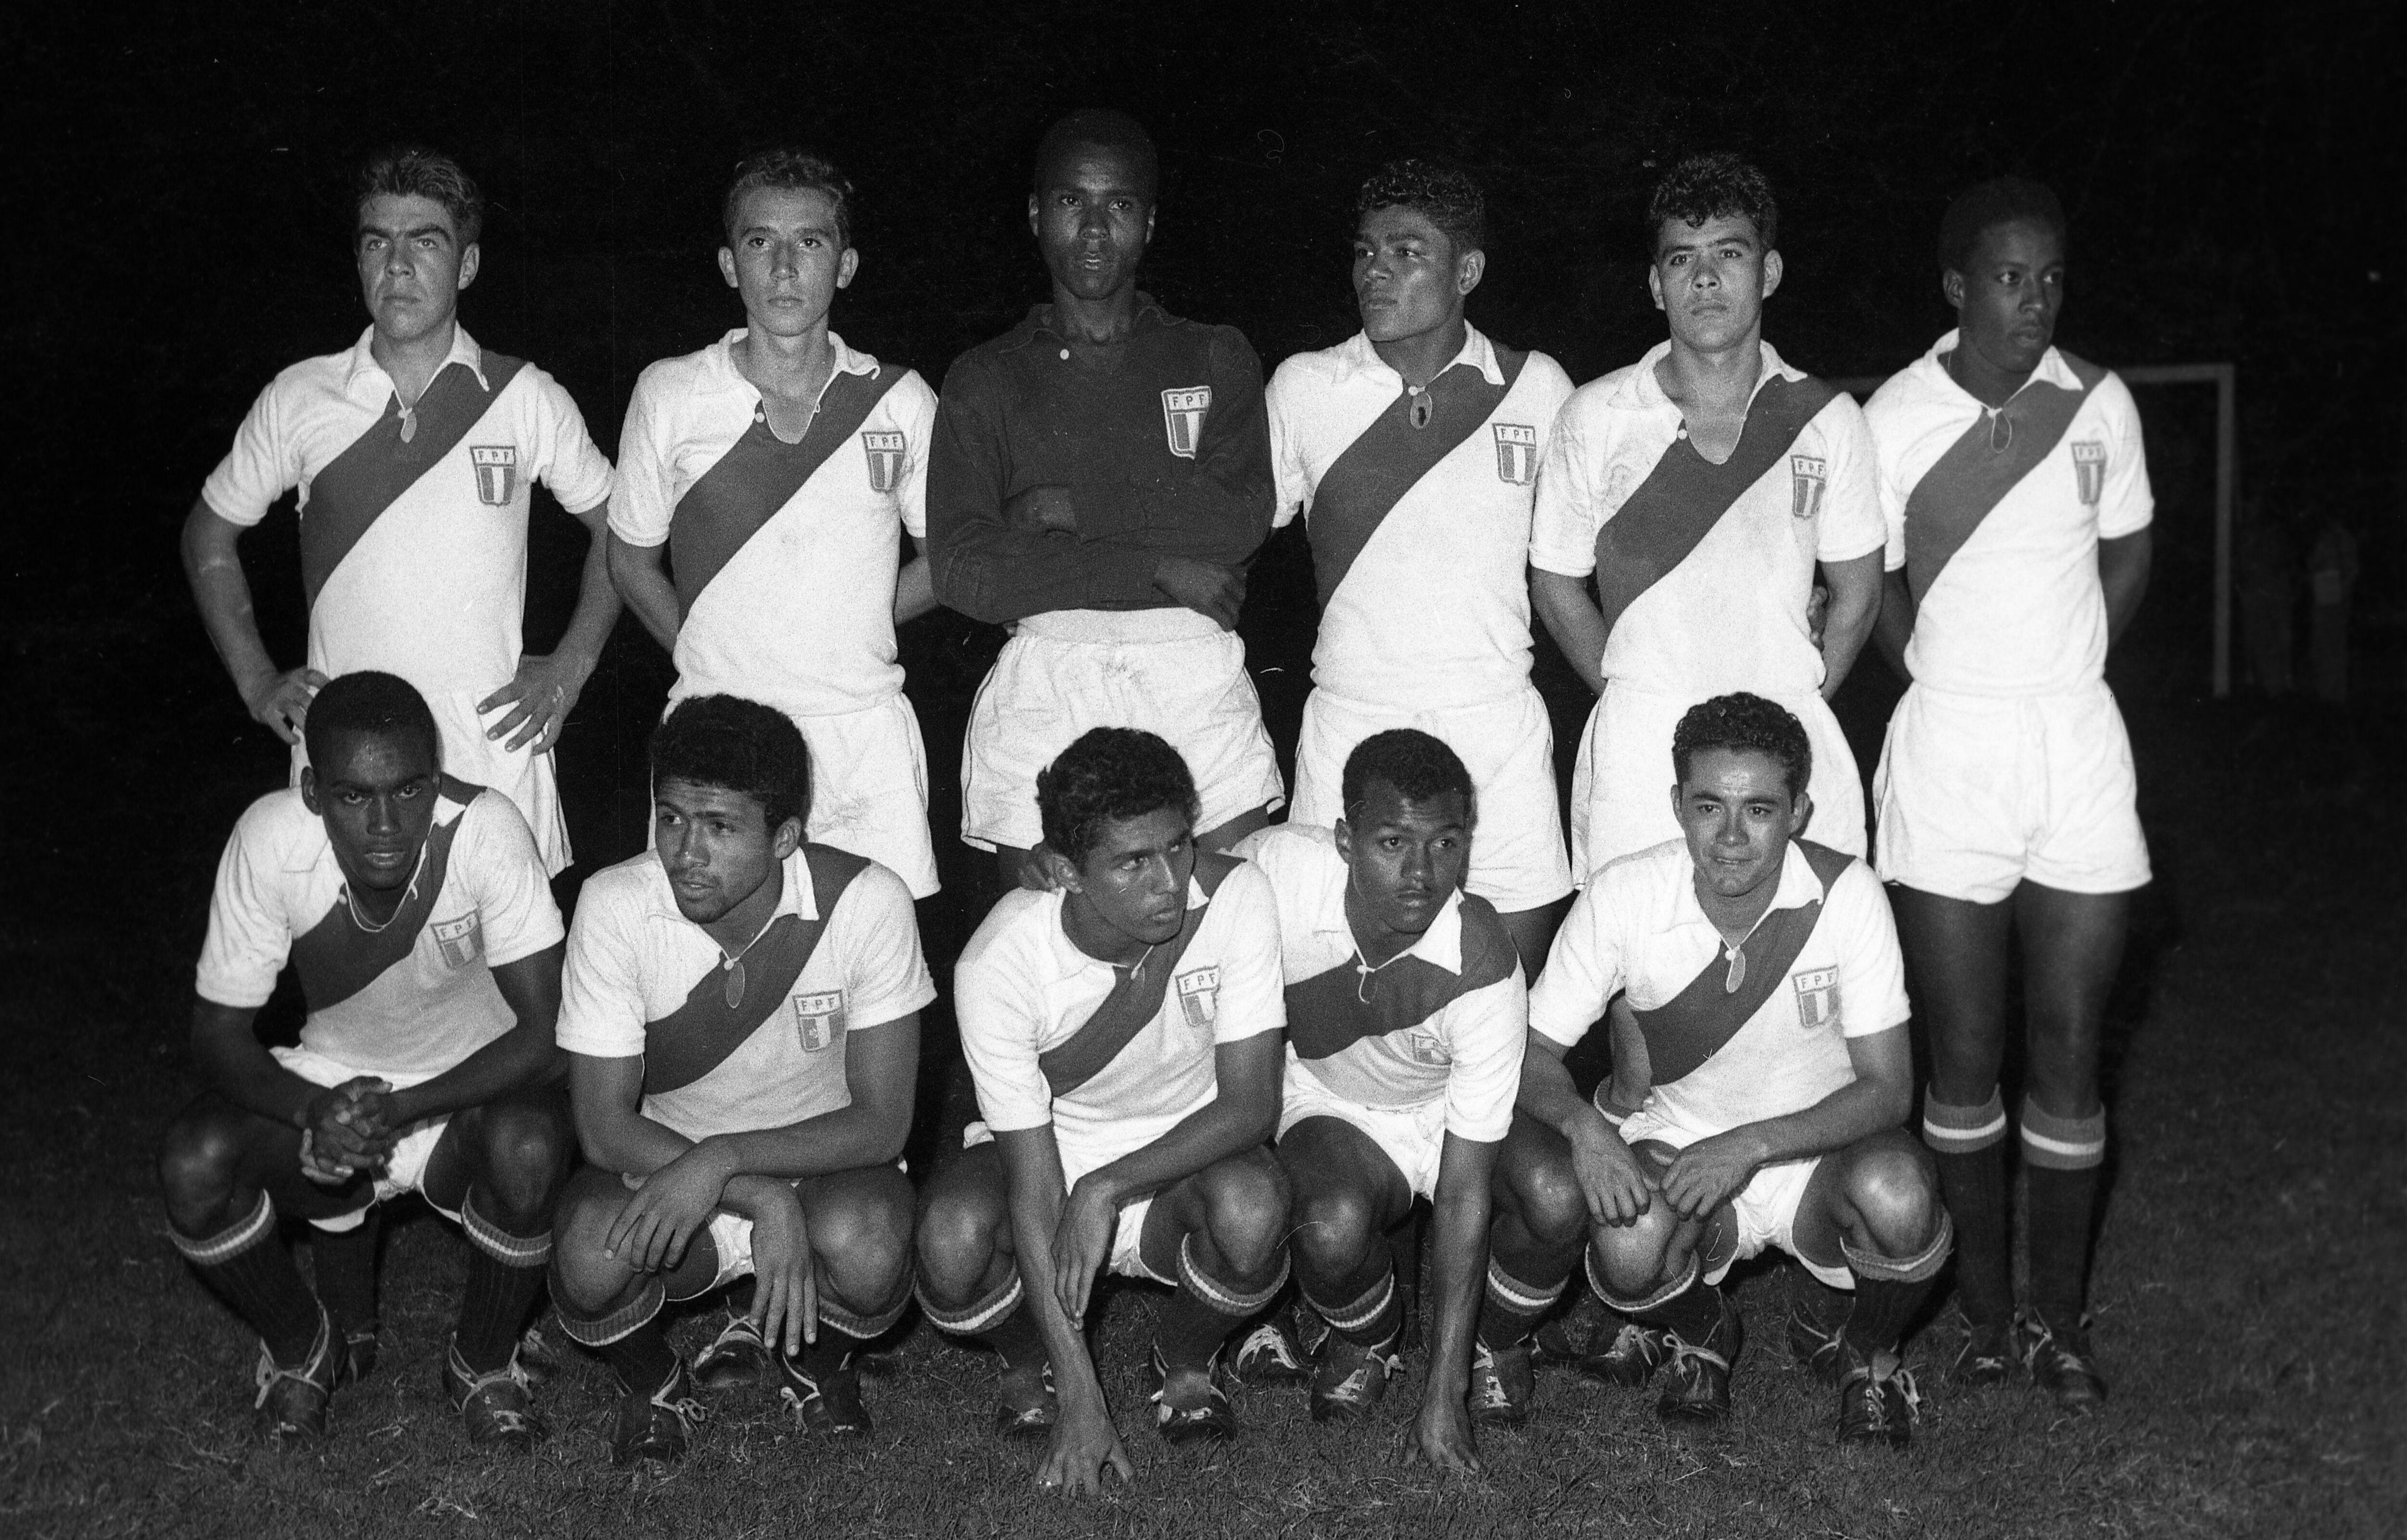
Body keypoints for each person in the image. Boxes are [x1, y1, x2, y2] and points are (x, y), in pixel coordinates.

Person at [1863, 177, 2153, 1412]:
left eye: (2049, 279)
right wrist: (1944, 670)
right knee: (1964, 1059)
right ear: (1954, 285)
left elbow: (2127, 550)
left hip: (2075, 741)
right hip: (1948, 749)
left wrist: (2065, 662)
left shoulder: (2099, 403)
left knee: (2072, 1053)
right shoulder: (1891, 413)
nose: (2031, 301)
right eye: (2007, 277)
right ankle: (1986, 1318)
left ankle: (2058, 1319)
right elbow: (1864, 580)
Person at [1512, 695, 1950, 1447]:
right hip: (1681, 1145)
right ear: (1678, 804)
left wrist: (1748, 1145)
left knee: (1901, 1195)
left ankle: (1867, 1354)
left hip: (1816, 1155)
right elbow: (1525, 1051)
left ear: (1800, 811)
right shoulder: (1624, 893)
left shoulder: (1848, 895)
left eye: (1760, 810)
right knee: (1624, 1242)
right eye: (1710, 807)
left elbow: (1890, 1089)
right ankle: (1704, 1328)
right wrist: (1586, 1128)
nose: (1732, 838)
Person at [157, 671, 572, 1450]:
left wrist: (403, 1109)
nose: (386, 822)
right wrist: (313, 1110)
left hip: (464, 1095)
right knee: (193, 1162)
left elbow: (547, 1036)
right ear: (313, 792)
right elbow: (217, 1034)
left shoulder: (485, 829)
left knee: (531, 1146)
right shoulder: (271, 838)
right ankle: (301, 1347)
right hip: (334, 1082)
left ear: (437, 773)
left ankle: (482, 1363)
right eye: (354, 797)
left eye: (410, 790)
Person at [182, 147, 618, 876]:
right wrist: (257, 680)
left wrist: (570, 665)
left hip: (493, 768)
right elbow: (208, 536)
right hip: (347, 775)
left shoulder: (524, 397)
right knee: (352, 989)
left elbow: (621, 531)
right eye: (377, 242)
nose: (398, 264)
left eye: (426, 241)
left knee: (511, 990)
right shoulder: (301, 398)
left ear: (468, 266)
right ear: (358, 262)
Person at [547, 696, 933, 1466]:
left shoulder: (867, 901)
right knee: (591, 1255)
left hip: (821, 1175)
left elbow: (884, 1123)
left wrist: (730, 1161)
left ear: (784, 836)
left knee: (870, 1246)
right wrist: (748, 1191)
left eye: (720, 827)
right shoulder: (618, 902)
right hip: (673, 1175)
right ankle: (653, 1381)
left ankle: (814, 1362)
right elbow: (602, 1124)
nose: (686, 852)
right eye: (670, 819)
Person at [916, 728, 1289, 1495]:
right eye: (1132, 862)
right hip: (1056, 1142)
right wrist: (1084, 1398)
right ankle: (1035, 1366)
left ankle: (1184, 1358)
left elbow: (1251, 1107)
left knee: (1254, 1209)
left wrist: (1108, 1187)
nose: (1171, 882)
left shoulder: (1236, 895)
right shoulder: (999, 963)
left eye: (1180, 846)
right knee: (951, 1243)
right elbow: (1033, 1182)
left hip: (1187, 1144)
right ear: (1062, 871)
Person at [928, 109, 1284, 893]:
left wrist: (1067, 507)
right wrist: (1161, 564)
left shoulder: (1213, 353)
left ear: (1150, 222)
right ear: (1034, 212)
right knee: (1053, 953)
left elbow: (1237, 520)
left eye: (1118, 206)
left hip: (1189, 666)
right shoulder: (985, 377)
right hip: (1050, 668)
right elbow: (964, 571)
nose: (1093, 230)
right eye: (1069, 202)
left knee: (1227, 927)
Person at [1530, 152, 1883, 879]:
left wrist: (1796, 706)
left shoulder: (1826, 418)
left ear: (1770, 272)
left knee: (1804, 969)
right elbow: (1557, 584)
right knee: (1639, 975)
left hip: (1788, 740)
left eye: (1730, 252)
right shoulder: (1595, 415)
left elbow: (1859, 591)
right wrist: (1632, 690)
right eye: (1681, 259)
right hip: (1642, 748)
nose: (1706, 277)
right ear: (1656, 285)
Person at [1264, 162, 1577, 972]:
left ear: (1466, 272)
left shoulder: (1536, 388)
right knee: (1331, 985)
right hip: (1351, 720)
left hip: (1494, 723)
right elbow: (1222, 533)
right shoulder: (1305, 387)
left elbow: (1596, 552)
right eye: (1367, 251)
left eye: (1408, 253)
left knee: (1507, 997)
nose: (1376, 271)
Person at [608, 148, 942, 898]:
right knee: (717, 972)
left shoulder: (900, 399)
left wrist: (849, 624)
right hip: (715, 736)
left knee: (867, 976)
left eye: (811, 242)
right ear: (730, 264)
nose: (785, 268)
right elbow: (630, 562)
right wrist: (712, 655)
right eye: (761, 242)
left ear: (846, 264)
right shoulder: (670, 394)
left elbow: (948, 558)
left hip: (860, 736)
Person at [1235, 731, 1547, 1469]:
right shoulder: (1273, 868)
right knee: (1332, 1224)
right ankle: (1369, 1339)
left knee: (1556, 1196)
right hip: (1331, 1102)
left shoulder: (1483, 959)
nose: (1420, 873)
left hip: (1442, 1111)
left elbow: (1465, 1189)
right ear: (1344, 838)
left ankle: (1492, 1345)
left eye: (1445, 844)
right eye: (1391, 842)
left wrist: (1446, 1395)